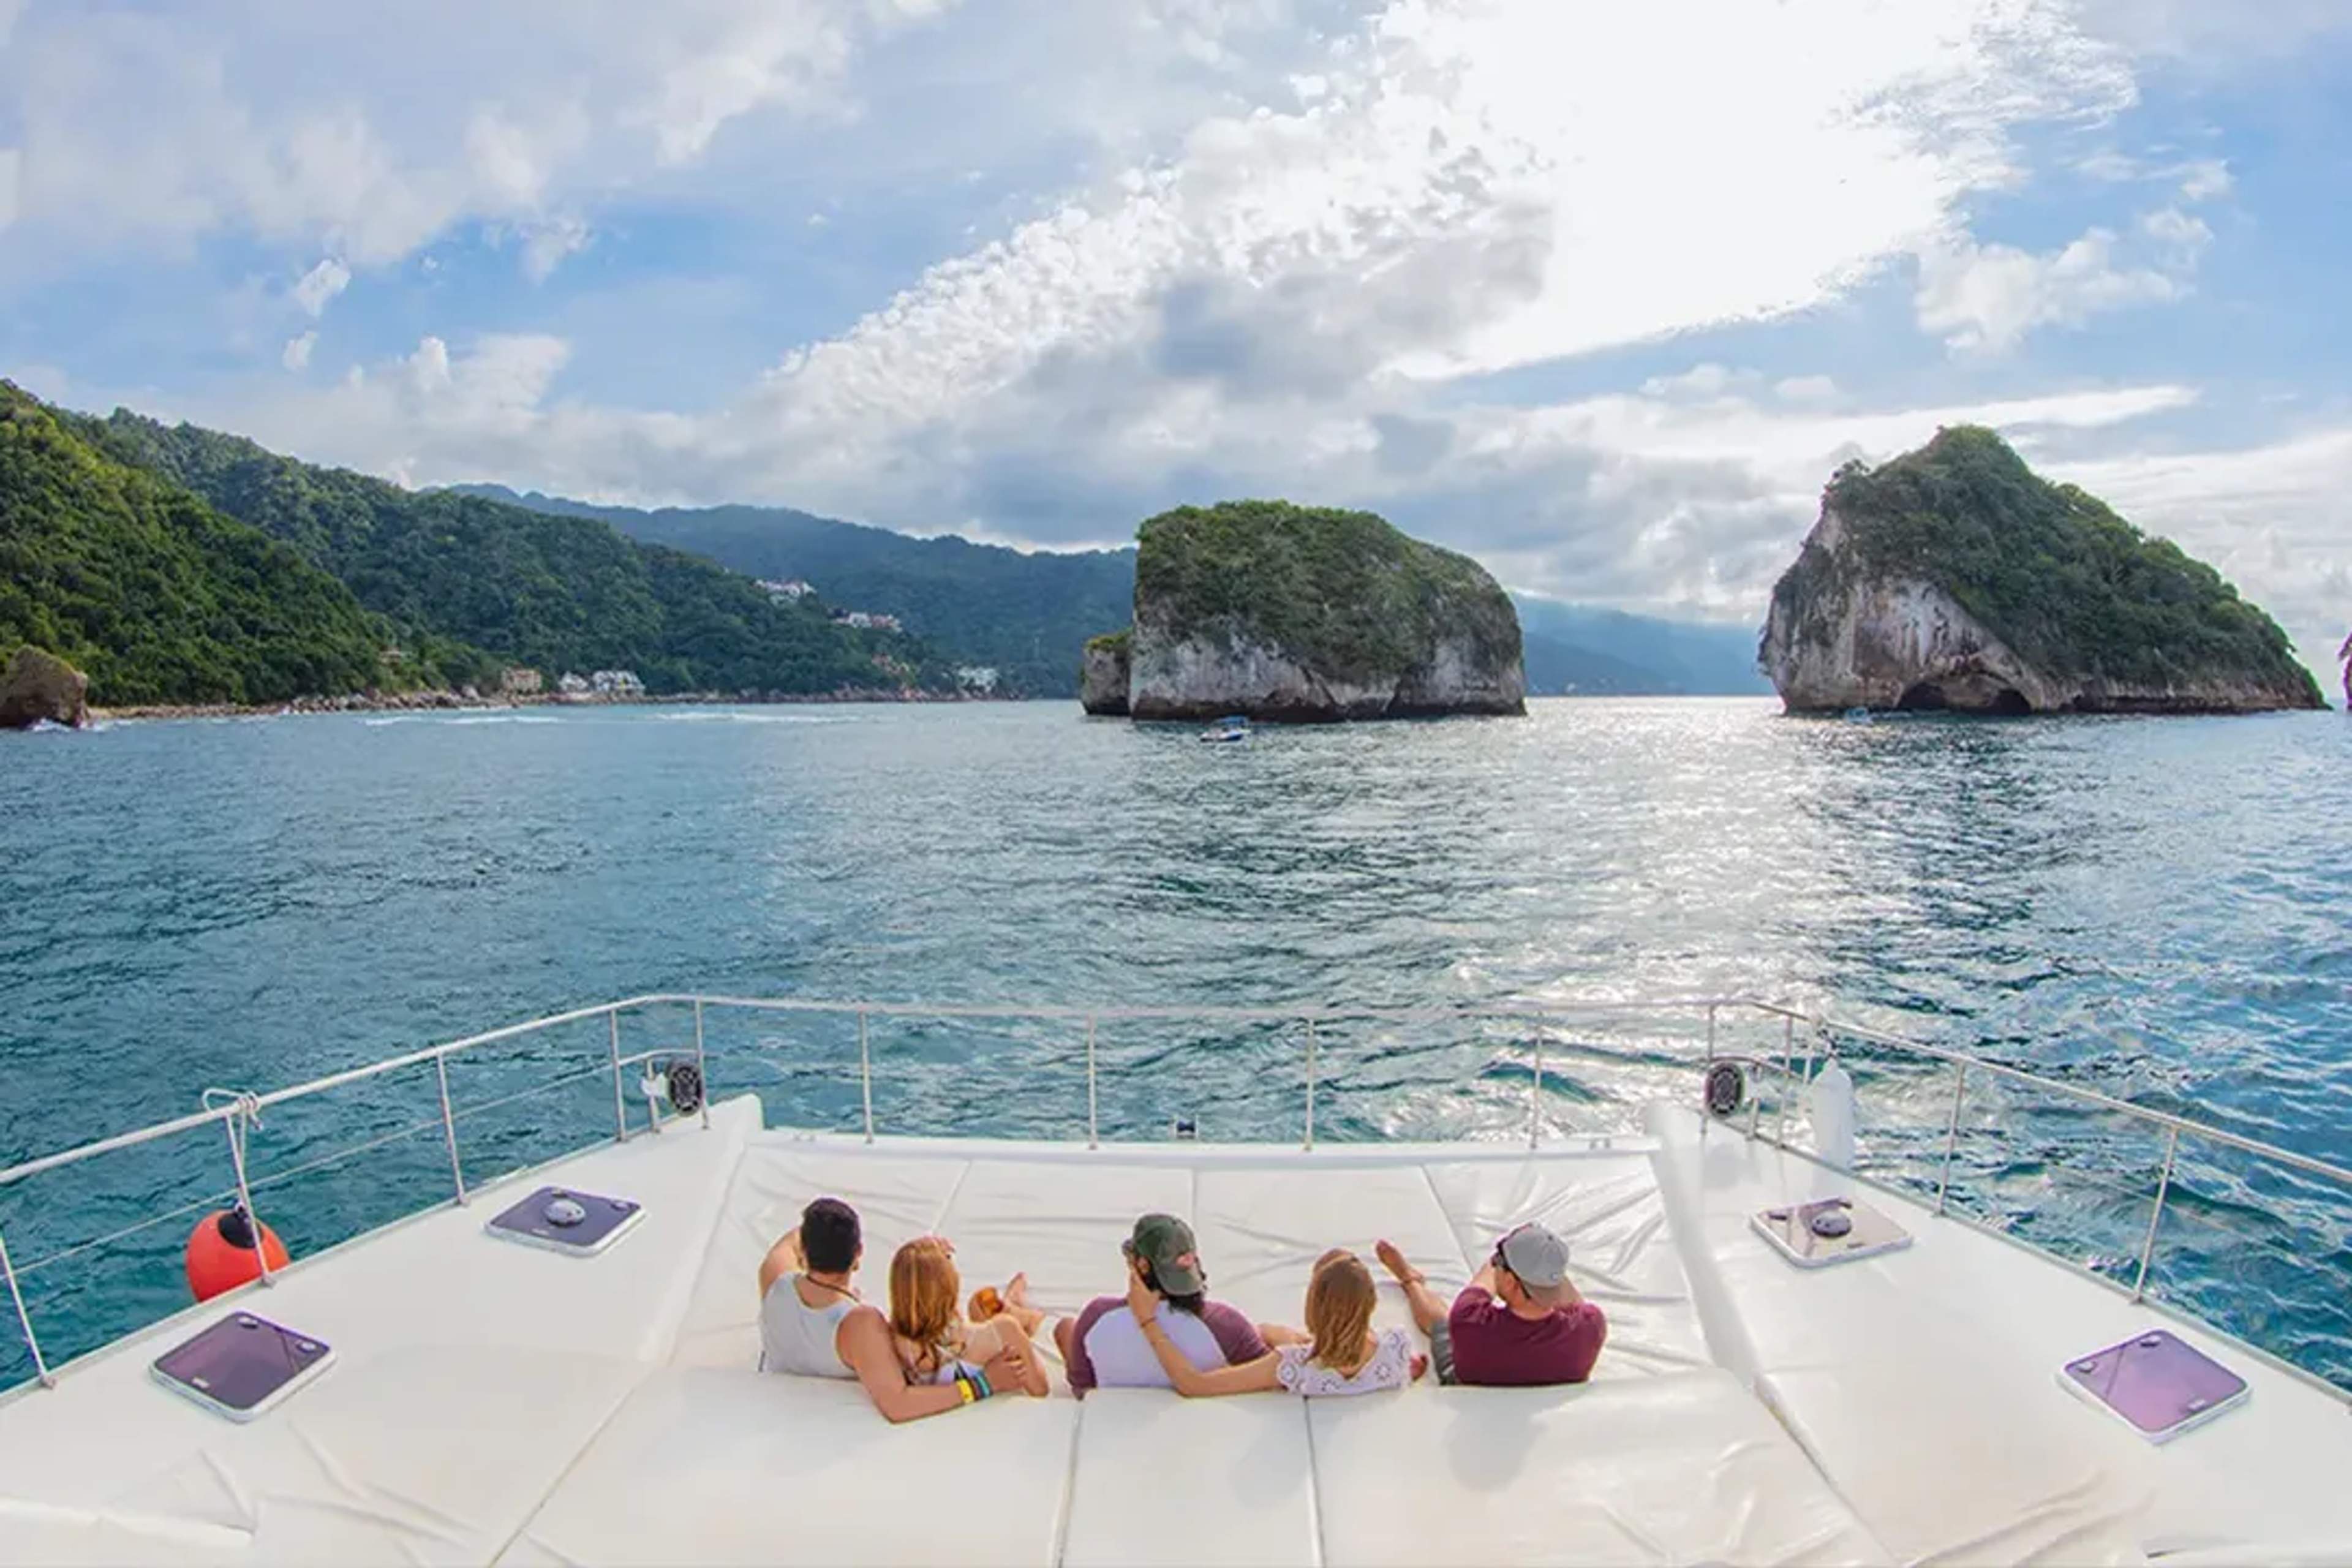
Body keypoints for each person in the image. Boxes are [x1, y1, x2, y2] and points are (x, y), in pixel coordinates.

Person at [755, 1197, 1028, 1422]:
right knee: (983, 1320)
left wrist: (817, 1231)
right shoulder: (859, 1325)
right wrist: (985, 1384)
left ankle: (1013, 1307)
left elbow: (791, 1240)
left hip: (782, 1402)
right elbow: (899, 1404)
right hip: (827, 1417)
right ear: (858, 1255)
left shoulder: (774, 1278)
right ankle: (1015, 1309)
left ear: (805, 1251)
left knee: (982, 1316)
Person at [1128, 1247, 1426, 1396]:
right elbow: (1411, 1363)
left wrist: (1148, 1322)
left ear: (1313, 1307)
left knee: (1266, 1331)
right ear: (1371, 1304)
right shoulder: (1397, 1348)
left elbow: (1195, 1385)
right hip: (1334, 1349)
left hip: (1307, 1350)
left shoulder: (1292, 1366)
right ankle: (1412, 1279)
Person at [1056, 1213, 1275, 1395]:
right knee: (1266, 1332)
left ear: (1140, 1265)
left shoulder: (1097, 1317)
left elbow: (1082, 1386)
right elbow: (1268, 1373)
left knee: (1066, 1328)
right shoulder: (1225, 1324)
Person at [1374, 1223, 1605, 1385]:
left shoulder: (1469, 1321)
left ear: (1511, 1280)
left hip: (1470, 1379)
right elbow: (1574, 1303)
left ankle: (1410, 1280)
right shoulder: (1591, 1327)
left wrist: (1501, 1258)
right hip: (1547, 1375)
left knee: (1441, 1322)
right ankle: (1410, 1279)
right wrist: (1548, 1272)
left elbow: (1483, 1283)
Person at [886, 1235, 1049, 1398]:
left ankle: (1011, 1303)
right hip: (993, 1340)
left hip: (959, 1342)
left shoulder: (898, 1343)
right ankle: (1019, 1310)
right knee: (988, 1309)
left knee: (980, 1305)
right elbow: (1040, 1388)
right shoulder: (1002, 1331)